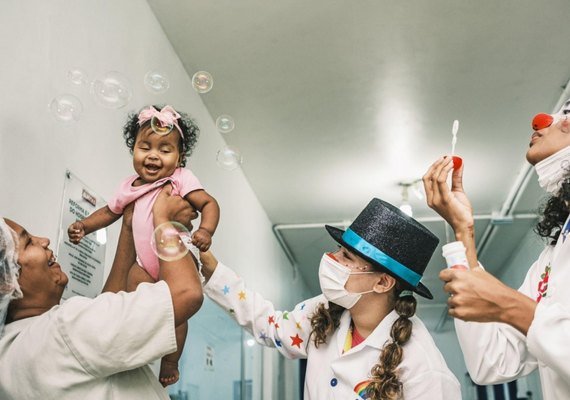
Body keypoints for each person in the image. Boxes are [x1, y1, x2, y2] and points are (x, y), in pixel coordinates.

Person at [199, 198, 461, 399]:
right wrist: (213, 270)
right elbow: (269, 325)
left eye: (346, 256)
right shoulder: (324, 310)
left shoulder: (424, 368)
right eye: (339, 249)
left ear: (382, 282)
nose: (331, 258)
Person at [422, 99, 570, 400]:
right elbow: (493, 362)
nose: (541, 120)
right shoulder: (552, 258)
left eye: (567, 113)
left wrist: (512, 307)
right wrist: (464, 232)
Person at [0, 186, 203, 399]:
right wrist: (164, 221)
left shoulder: (10, 354)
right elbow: (185, 292)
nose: (44, 240)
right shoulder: (63, 329)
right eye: (29, 242)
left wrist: (129, 227)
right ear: (6, 282)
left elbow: (106, 311)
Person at [67, 104, 220, 385]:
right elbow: (110, 212)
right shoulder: (129, 185)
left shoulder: (181, 179)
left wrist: (206, 230)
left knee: (176, 310)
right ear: (133, 150)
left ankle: (170, 361)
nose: (153, 155)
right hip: (142, 264)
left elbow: (208, 203)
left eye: (165, 149)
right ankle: (129, 347)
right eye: (145, 146)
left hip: (175, 257)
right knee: (136, 300)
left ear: (180, 157)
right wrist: (85, 225)